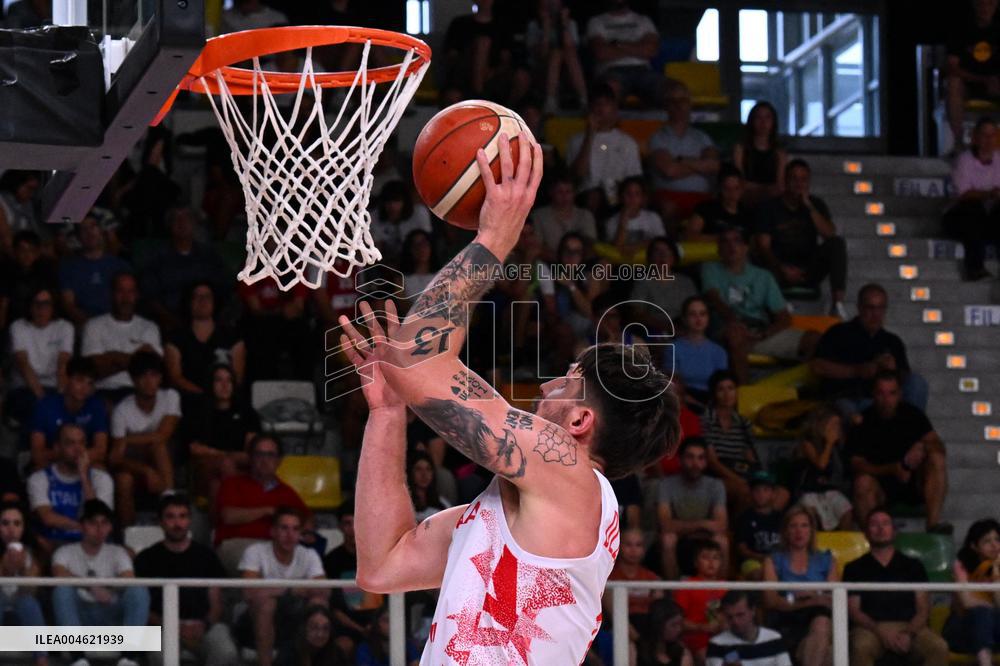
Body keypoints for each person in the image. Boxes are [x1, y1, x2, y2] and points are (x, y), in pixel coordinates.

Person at [340, 133, 680, 663]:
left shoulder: (568, 471)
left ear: (581, 421)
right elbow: (383, 566)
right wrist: (387, 414)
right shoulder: (511, 509)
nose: (545, 387)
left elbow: (418, 359)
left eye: (565, 381)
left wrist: (496, 237)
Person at [702, 226, 817, 384]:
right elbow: (715, 299)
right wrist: (735, 322)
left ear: (746, 247)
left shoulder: (763, 276)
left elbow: (783, 317)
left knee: (814, 339)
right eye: (725, 241)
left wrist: (765, 333)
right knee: (735, 336)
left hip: (759, 330)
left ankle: (800, 391)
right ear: (718, 248)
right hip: (726, 326)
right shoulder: (710, 268)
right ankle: (744, 398)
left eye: (737, 241)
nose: (731, 246)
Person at [134, 494, 238, 666]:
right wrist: (172, 626)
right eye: (170, 517)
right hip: (161, 628)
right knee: (160, 656)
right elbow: (141, 605)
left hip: (203, 627)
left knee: (226, 652)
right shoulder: (145, 558)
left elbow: (216, 602)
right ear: (160, 521)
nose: (177, 523)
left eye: (183, 516)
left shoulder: (207, 556)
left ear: (190, 520)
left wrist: (204, 624)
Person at [843, 507, 949, 666]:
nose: (880, 528)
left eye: (885, 523)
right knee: (860, 647)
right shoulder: (854, 568)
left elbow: (923, 608)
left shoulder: (913, 566)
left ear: (894, 531)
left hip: (910, 626)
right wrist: (879, 630)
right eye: (874, 524)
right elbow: (854, 610)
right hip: (870, 628)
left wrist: (908, 633)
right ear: (865, 533)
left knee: (938, 647)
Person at [848, 371, 950, 533]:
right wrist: (893, 469)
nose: (886, 399)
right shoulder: (864, 421)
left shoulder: (913, 415)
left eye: (892, 393)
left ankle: (932, 526)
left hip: (914, 483)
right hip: (881, 486)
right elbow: (856, 464)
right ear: (873, 394)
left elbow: (938, 446)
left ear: (900, 394)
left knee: (937, 459)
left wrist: (923, 447)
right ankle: (872, 537)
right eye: (881, 393)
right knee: (862, 483)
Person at [51, 499, 150, 666]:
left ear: (110, 527)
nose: (99, 529)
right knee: (62, 591)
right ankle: (78, 659)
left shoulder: (117, 552)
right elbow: (58, 573)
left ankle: (128, 658)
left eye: (104, 523)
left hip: (112, 612)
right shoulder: (65, 552)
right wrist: (91, 587)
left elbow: (128, 578)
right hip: (81, 615)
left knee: (138, 590)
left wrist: (104, 588)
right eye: (93, 523)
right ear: (82, 526)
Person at [811, 283, 928, 420]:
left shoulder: (892, 341)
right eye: (870, 308)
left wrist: (892, 370)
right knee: (852, 412)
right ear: (860, 308)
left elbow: (904, 377)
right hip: (846, 397)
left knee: (916, 383)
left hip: (881, 400)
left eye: (881, 308)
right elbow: (817, 366)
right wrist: (857, 371)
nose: (876, 314)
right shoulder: (839, 333)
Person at [754, 159, 848, 315]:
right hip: (778, 267)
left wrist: (809, 207)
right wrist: (781, 268)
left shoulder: (815, 204)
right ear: (785, 181)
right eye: (794, 178)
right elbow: (763, 246)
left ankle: (837, 305)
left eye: (803, 179)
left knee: (837, 244)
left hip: (807, 268)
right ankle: (775, 306)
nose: (799, 183)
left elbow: (829, 234)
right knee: (757, 255)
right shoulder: (769, 207)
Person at [238, 507, 327, 666]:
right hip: (252, 621)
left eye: (295, 529)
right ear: (272, 531)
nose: (290, 534)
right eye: (284, 528)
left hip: (295, 616)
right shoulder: (255, 551)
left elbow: (323, 590)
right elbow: (249, 590)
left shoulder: (309, 554)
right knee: (266, 603)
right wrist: (291, 589)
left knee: (318, 603)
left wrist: (270, 589)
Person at [214, 434, 310, 575]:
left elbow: (307, 520)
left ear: (279, 460)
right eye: (259, 454)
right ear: (250, 458)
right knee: (261, 565)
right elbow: (229, 516)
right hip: (238, 544)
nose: (265, 460)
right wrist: (268, 511)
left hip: (275, 546)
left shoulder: (286, 491)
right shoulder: (233, 483)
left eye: (270, 455)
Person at [109, 351, 180, 527]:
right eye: (143, 376)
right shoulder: (122, 410)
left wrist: (128, 440)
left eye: (154, 375)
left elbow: (163, 434)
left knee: (158, 445)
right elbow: (115, 457)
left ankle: (169, 504)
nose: (149, 382)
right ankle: (128, 534)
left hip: (165, 456)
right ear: (133, 380)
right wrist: (146, 470)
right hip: (135, 461)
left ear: (161, 378)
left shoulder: (170, 396)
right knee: (123, 480)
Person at [762, 506, 836, 666]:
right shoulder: (773, 560)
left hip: (818, 619)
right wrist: (810, 599)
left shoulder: (826, 559)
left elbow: (833, 600)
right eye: (793, 526)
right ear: (786, 531)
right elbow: (770, 601)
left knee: (822, 622)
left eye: (804, 526)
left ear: (811, 530)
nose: (799, 531)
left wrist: (801, 596)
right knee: (829, 656)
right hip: (785, 620)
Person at [27, 424, 115, 551]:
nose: (78, 449)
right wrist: (85, 527)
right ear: (57, 448)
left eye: (81, 443)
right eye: (70, 443)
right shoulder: (39, 478)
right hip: (55, 542)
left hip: (93, 543)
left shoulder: (101, 478)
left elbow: (98, 517)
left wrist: (84, 476)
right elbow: (48, 518)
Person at [182, 363, 259, 505]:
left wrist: (219, 454)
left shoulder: (247, 413)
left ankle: (225, 524)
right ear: (210, 384)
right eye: (219, 380)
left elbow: (251, 451)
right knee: (226, 464)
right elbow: (195, 449)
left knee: (216, 487)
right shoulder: (198, 412)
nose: (225, 385)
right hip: (205, 470)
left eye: (229, 380)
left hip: (237, 469)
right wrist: (227, 456)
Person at [81, 271, 162, 403]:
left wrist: (113, 357)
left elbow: (152, 369)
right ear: (111, 294)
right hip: (103, 393)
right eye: (120, 291)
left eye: (130, 291)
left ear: (137, 295)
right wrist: (136, 358)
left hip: (139, 394)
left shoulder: (149, 327)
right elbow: (93, 371)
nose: (126, 298)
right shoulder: (93, 325)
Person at [566, 84, 644, 216]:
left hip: (620, 197)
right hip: (585, 198)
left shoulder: (628, 142)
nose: (601, 109)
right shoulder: (576, 140)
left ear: (615, 108)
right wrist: (589, 135)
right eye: (597, 104)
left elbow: (635, 180)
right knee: (594, 197)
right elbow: (577, 176)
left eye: (606, 104)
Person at [657, 437, 728, 580]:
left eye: (701, 458)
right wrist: (703, 524)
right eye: (690, 457)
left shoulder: (716, 485)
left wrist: (682, 526)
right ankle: (673, 592)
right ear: (680, 459)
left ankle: (721, 590)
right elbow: (665, 525)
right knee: (667, 539)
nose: (695, 463)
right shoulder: (666, 484)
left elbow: (720, 525)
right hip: (680, 539)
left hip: (703, 539)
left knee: (722, 541)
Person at [164, 281, 246, 405]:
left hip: (225, 402)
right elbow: (175, 378)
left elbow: (237, 377)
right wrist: (203, 396)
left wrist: (219, 395)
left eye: (207, 296)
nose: (202, 301)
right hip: (188, 402)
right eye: (197, 296)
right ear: (189, 303)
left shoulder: (232, 337)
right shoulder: (175, 338)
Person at [649, 82, 721, 223]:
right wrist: (699, 164)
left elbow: (713, 166)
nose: (678, 105)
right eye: (673, 101)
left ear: (689, 104)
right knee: (668, 208)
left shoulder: (703, 137)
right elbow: (670, 171)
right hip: (668, 196)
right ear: (666, 106)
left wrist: (681, 161)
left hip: (701, 197)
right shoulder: (657, 137)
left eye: (682, 100)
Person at [6, 286, 74, 427]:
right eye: (36, 304)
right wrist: (44, 401)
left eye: (46, 304)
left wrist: (60, 399)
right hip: (24, 388)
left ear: (53, 306)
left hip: (55, 387)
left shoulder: (65, 327)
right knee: (37, 408)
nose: (40, 309)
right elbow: (24, 366)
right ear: (29, 306)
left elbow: (62, 366)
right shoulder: (18, 327)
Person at [701, 370, 768, 513]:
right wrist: (738, 480)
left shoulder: (743, 422)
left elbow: (750, 456)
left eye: (730, 388)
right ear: (714, 393)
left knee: (778, 494)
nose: (727, 394)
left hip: (740, 471)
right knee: (744, 491)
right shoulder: (706, 420)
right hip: (716, 475)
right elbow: (712, 461)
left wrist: (756, 479)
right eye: (721, 389)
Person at [942, 116, 1000, 280]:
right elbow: (964, 194)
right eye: (984, 135)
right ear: (975, 137)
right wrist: (989, 194)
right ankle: (975, 268)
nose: (988, 140)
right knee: (973, 208)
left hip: (988, 216)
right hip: (961, 217)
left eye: (992, 135)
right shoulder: (965, 160)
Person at [322, 502, 382, 657]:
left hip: (379, 622)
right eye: (347, 523)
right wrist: (359, 629)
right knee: (343, 646)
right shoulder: (331, 560)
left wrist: (375, 625)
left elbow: (387, 598)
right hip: (347, 625)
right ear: (340, 527)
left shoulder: (377, 556)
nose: (352, 529)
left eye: (356, 522)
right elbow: (334, 607)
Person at [29, 356, 109, 470]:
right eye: (79, 380)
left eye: (90, 383)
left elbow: (101, 450)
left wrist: (73, 457)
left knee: (101, 471)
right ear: (67, 379)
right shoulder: (45, 405)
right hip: (53, 463)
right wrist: (67, 456)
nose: (84, 388)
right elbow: (37, 454)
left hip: (84, 462)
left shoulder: (97, 406)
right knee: (38, 469)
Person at [585, 0, 665, 107]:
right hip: (611, 71)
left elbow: (652, 50)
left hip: (643, 71)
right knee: (609, 90)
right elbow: (601, 52)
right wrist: (638, 46)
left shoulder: (644, 21)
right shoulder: (596, 21)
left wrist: (617, 44)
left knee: (676, 91)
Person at [945, 0, 1000, 150]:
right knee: (953, 83)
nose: (985, 8)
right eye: (981, 4)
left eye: (989, 4)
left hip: (994, 85)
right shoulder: (961, 30)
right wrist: (982, 79)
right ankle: (958, 143)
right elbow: (952, 67)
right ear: (974, 5)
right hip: (969, 83)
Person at [59, 213, 131, 325]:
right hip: (84, 327)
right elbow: (69, 305)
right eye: (84, 229)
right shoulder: (68, 267)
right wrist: (92, 326)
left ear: (101, 231)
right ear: (78, 237)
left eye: (93, 226)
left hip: (116, 325)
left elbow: (128, 300)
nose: (89, 232)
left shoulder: (120, 266)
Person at [945, 518, 1000, 665]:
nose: (995, 545)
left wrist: (995, 573)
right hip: (961, 630)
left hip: (994, 630)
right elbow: (967, 602)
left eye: (997, 540)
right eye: (987, 541)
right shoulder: (961, 565)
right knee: (981, 612)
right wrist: (990, 607)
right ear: (974, 546)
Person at [605, 529, 663, 665]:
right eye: (628, 545)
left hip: (649, 628)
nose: (633, 550)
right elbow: (614, 614)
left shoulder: (652, 578)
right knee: (630, 648)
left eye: (638, 545)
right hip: (620, 628)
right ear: (619, 546)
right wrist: (639, 640)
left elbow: (660, 612)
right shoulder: (609, 576)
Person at [0, 501, 48, 666]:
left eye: (17, 523)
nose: (11, 529)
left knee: (28, 602)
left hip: (22, 613)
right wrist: (5, 569)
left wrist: (21, 570)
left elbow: (31, 590)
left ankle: (42, 659)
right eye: (5, 523)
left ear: (23, 527)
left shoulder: (33, 552)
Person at [791, 405, 853, 531]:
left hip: (830, 491)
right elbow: (821, 464)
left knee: (846, 509)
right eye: (831, 424)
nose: (835, 429)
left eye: (837, 425)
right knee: (812, 513)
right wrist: (829, 443)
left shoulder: (839, 447)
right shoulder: (808, 443)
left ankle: (844, 541)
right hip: (809, 491)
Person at [525, 0, 588, 114]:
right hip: (542, 72)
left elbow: (572, 49)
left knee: (567, 53)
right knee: (556, 54)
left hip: (568, 74)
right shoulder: (533, 26)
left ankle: (584, 99)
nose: (551, 4)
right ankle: (550, 100)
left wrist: (564, 24)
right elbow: (541, 55)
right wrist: (546, 29)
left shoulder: (571, 24)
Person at [669, 296, 728, 409]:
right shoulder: (673, 348)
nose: (698, 319)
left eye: (702, 314)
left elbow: (721, 384)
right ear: (684, 319)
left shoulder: (719, 351)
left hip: (711, 403)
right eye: (692, 314)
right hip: (683, 403)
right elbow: (673, 384)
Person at [631, 238, 698, 335]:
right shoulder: (643, 282)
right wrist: (668, 327)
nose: (663, 255)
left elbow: (695, 309)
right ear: (650, 257)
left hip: (685, 329)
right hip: (655, 331)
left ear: (674, 257)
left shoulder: (686, 282)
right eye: (657, 251)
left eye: (667, 251)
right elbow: (636, 313)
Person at [707, 591, 793, 666]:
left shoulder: (774, 638)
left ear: (753, 611)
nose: (735, 621)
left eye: (740, 615)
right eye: (730, 617)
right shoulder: (717, 644)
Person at [675, 539, 727, 663]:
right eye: (705, 557)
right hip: (696, 638)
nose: (711, 562)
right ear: (696, 562)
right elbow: (678, 619)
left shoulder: (726, 586)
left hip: (724, 637)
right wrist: (703, 627)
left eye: (715, 558)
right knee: (709, 658)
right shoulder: (687, 586)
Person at [600, 176, 667, 262]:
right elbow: (615, 249)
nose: (632, 198)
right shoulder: (611, 221)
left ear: (643, 198)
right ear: (621, 197)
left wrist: (637, 247)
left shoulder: (653, 217)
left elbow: (662, 243)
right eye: (628, 193)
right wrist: (623, 221)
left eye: (637, 194)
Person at [531, 174, 598, 258]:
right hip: (550, 265)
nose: (564, 196)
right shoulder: (539, 216)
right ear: (551, 192)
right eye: (560, 192)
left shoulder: (586, 215)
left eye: (568, 192)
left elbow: (591, 246)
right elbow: (536, 247)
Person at [733, 102, 787, 205]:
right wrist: (764, 189)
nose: (763, 122)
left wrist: (762, 190)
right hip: (745, 198)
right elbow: (739, 181)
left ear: (773, 122)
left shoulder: (779, 152)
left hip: (771, 201)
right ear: (752, 121)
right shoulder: (740, 148)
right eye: (758, 117)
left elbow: (780, 185)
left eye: (767, 118)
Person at [368, 180, 432, 264]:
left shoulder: (420, 213)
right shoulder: (373, 217)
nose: (392, 206)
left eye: (397, 200)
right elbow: (377, 250)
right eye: (388, 201)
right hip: (388, 263)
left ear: (405, 202)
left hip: (418, 260)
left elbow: (427, 243)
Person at [735, 471, 784, 581]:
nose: (761, 494)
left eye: (766, 490)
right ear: (751, 493)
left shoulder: (782, 518)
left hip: (779, 561)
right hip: (753, 562)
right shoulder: (744, 518)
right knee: (760, 574)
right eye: (757, 490)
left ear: (773, 493)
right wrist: (763, 558)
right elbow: (742, 549)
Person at [684, 167, 754, 242]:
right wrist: (721, 238)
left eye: (736, 188)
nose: (732, 193)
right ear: (720, 189)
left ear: (742, 189)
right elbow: (688, 236)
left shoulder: (748, 214)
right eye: (727, 189)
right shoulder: (706, 208)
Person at [276, 604, 348, 666]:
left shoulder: (336, 653)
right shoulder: (288, 654)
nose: (320, 634)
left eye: (326, 628)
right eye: (314, 627)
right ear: (304, 628)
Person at [355, 605, 421, 666]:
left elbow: (416, 663)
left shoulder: (408, 645)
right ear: (376, 623)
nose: (392, 624)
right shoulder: (365, 648)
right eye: (386, 620)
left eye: (395, 620)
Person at [639, 599, 694, 666]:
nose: (679, 629)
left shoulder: (683, 653)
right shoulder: (636, 650)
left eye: (680, 624)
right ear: (658, 624)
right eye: (674, 625)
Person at [399, 229, 440, 301]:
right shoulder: (401, 279)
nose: (421, 249)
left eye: (424, 244)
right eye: (416, 245)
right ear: (409, 250)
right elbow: (403, 306)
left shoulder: (442, 275)